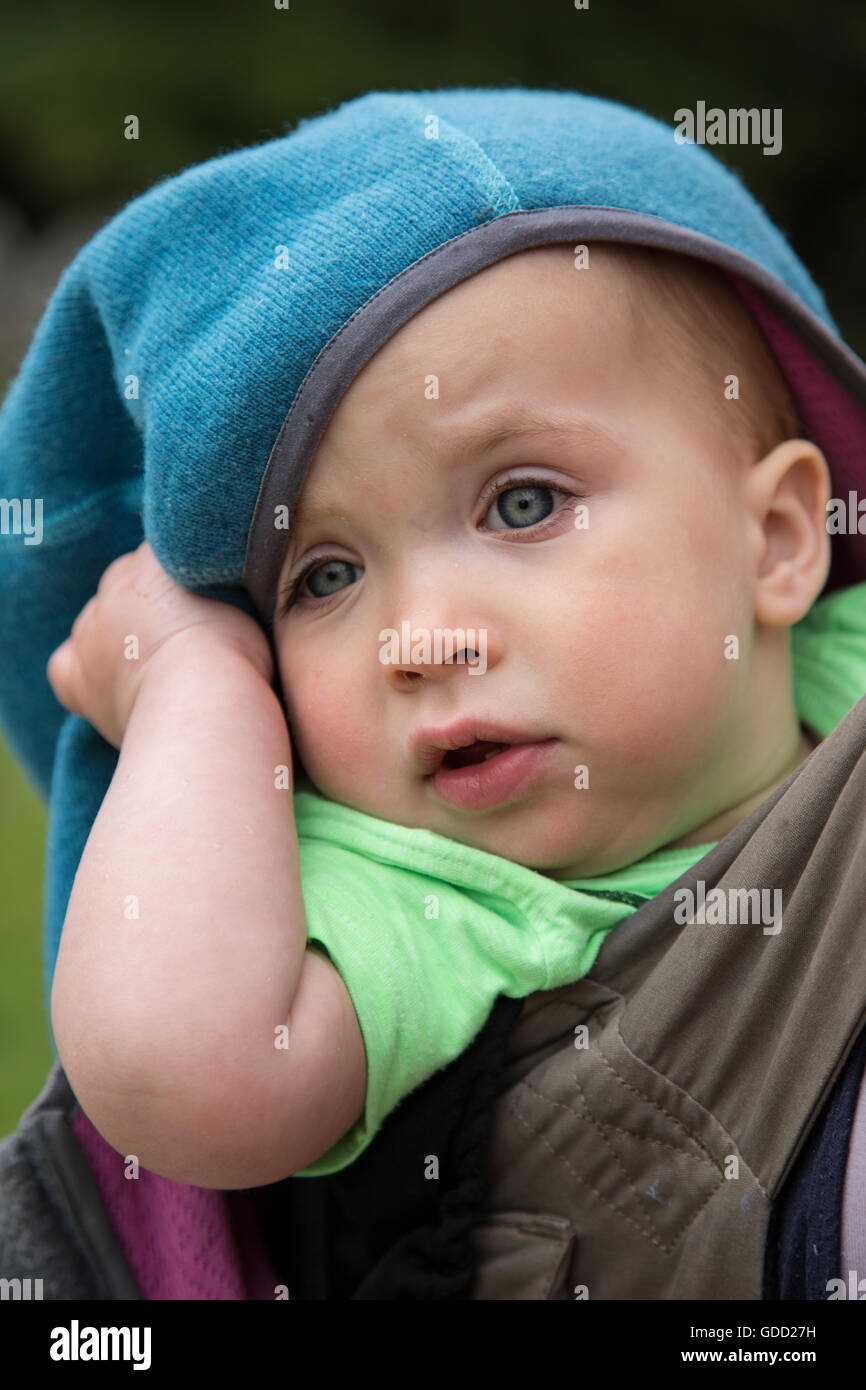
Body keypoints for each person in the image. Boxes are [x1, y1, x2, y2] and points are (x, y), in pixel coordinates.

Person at [1, 87, 865, 1300]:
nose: (418, 641)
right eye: (325, 576)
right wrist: (192, 690)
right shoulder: (424, 894)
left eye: (522, 503)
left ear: (775, 538)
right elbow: (175, 1080)